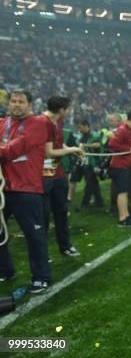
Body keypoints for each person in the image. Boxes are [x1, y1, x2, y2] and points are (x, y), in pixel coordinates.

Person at [0, 90, 53, 293]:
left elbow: (13, 149)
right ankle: (5, 270)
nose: (16, 105)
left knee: (33, 235)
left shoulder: (38, 124)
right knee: (0, 233)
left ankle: (41, 277)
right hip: (4, 189)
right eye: (13, 101)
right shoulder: (3, 124)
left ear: (29, 105)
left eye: (21, 102)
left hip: (27, 189)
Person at [40, 96, 84, 257]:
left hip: (58, 174)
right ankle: (42, 252)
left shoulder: (58, 121)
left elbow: (58, 145)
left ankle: (65, 246)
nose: (69, 111)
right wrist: (72, 150)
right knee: (43, 216)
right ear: (61, 110)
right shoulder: (42, 123)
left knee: (62, 211)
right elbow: (48, 152)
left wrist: (71, 148)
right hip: (42, 176)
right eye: (68, 108)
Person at [108, 109, 131, 227]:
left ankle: (127, 216)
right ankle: (122, 219)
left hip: (125, 165)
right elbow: (112, 144)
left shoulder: (128, 130)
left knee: (125, 192)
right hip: (119, 166)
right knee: (122, 192)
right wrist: (128, 150)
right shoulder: (123, 129)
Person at [72, 119, 104, 210]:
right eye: (78, 128)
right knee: (93, 183)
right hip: (84, 162)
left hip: (93, 163)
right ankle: (99, 201)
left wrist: (85, 145)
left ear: (86, 126)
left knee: (89, 184)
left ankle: (84, 204)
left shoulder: (95, 135)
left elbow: (98, 145)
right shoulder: (81, 136)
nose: (79, 129)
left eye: (80, 127)